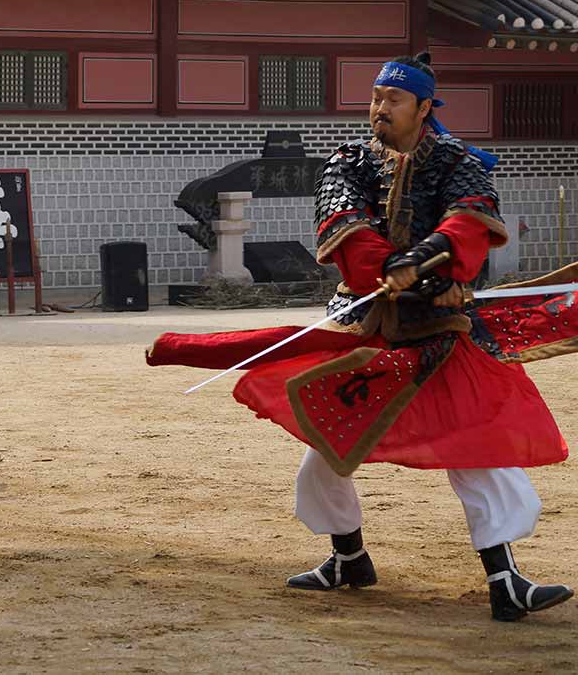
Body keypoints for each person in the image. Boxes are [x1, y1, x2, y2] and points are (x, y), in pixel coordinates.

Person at [148, 52, 577, 621]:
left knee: (477, 449)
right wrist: (390, 270)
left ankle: (505, 580)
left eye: (392, 99)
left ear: (424, 107)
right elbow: (344, 226)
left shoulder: (459, 161)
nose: (379, 108)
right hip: (365, 322)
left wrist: (427, 263)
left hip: (443, 328)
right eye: (375, 98)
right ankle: (348, 558)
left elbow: (469, 220)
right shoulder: (347, 162)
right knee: (330, 443)